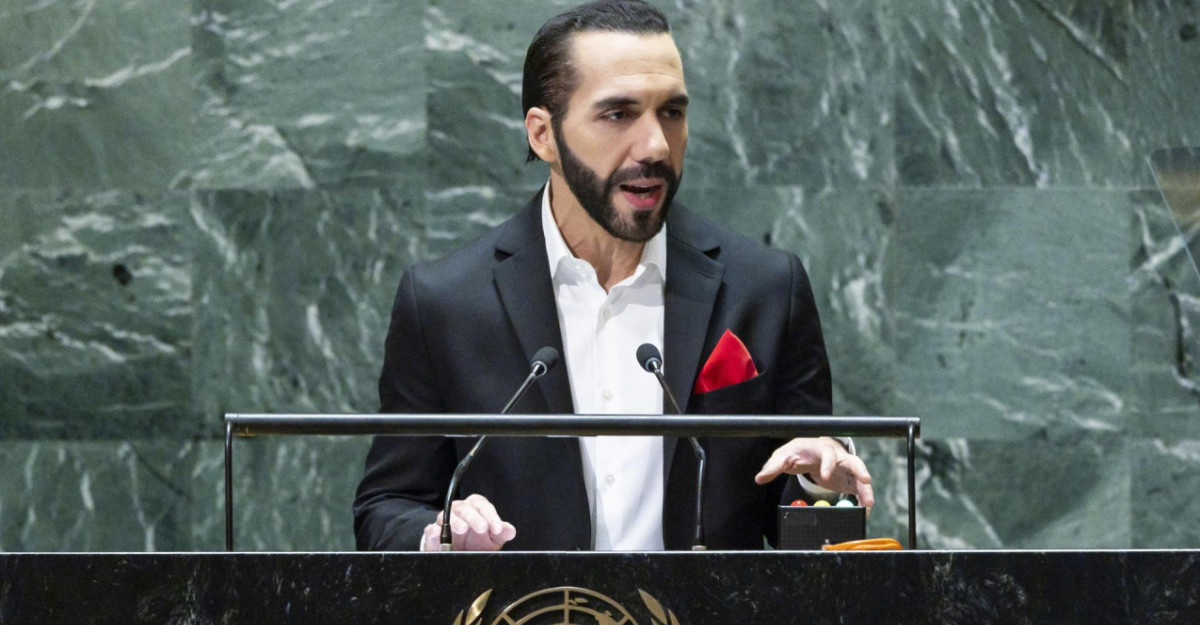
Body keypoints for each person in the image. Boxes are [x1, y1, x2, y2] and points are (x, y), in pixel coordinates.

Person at [353, 0, 873, 552]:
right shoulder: (445, 301)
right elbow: (388, 506)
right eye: (618, 114)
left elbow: (796, 515)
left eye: (672, 112)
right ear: (542, 135)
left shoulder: (766, 289)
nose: (655, 146)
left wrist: (822, 488)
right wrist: (441, 536)